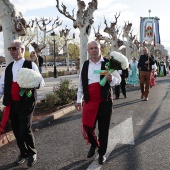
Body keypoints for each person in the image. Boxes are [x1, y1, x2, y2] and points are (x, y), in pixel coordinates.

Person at [75, 41, 121, 165]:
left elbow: (118, 79)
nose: (94, 50)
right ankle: (94, 144)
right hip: (89, 100)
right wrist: (78, 100)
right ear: (88, 51)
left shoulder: (108, 64)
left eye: (96, 48)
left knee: (103, 128)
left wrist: (112, 79)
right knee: (87, 126)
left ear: (100, 49)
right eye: (91, 48)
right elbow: (80, 85)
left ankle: (101, 153)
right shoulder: (85, 65)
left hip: (104, 101)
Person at [0, 40, 44, 167]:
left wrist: (32, 84)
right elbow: (2, 86)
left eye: (14, 48)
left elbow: (41, 82)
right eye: (10, 48)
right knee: (16, 129)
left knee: (24, 128)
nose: (11, 51)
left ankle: (32, 152)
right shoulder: (8, 67)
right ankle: (23, 153)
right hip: (12, 103)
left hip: (27, 102)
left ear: (22, 50)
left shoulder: (30, 65)